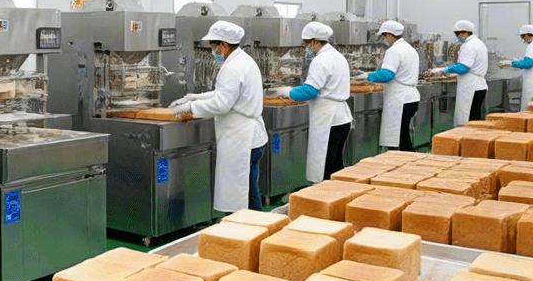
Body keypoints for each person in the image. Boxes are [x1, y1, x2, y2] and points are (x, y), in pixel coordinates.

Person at [169, 21, 267, 212]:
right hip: (253, 137)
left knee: (241, 192)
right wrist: (196, 97)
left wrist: (190, 107)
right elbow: (225, 94)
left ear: (224, 44)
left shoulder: (232, 68)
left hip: (241, 139)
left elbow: (222, 104)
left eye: (214, 46)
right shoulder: (244, 61)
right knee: (248, 188)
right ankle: (257, 225)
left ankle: (248, 226)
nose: (214, 51)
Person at [270, 22, 353, 183]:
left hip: (329, 119)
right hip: (341, 118)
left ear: (315, 41)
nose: (307, 48)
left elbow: (309, 91)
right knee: (335, 164)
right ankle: (338, 194)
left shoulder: (321, 60)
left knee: (325, 165)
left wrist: (286, 91)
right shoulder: (337, 56)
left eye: (307, 44)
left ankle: (324, 195)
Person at [354, 20, 421, 151]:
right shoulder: (410, 49)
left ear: (390, 35)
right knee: (403, 136)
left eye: (384, 35)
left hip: (400, 100)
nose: (384, 39)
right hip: (411, 98)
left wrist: (367, 76)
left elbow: (386, 75)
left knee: (398, 139)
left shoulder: (394, 51)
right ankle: (407, 161)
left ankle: (402, 163)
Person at [428, 20, 488, 126]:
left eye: (458, 33)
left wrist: (444, 70)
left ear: (465, 32)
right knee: (474, 119)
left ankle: (466, 137)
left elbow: (463, 68)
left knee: (467, 120)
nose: (458, 36)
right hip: (479, 86)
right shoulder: (479, 43)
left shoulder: (470, 45)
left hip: (471, 87)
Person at [498, 25, 533, 110]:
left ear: (526, 35)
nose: (523, 39)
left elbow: (527, 64)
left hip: (531, 81)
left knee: (529, 108)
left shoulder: (532, 46)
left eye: (523, 36)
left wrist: (509, 63)